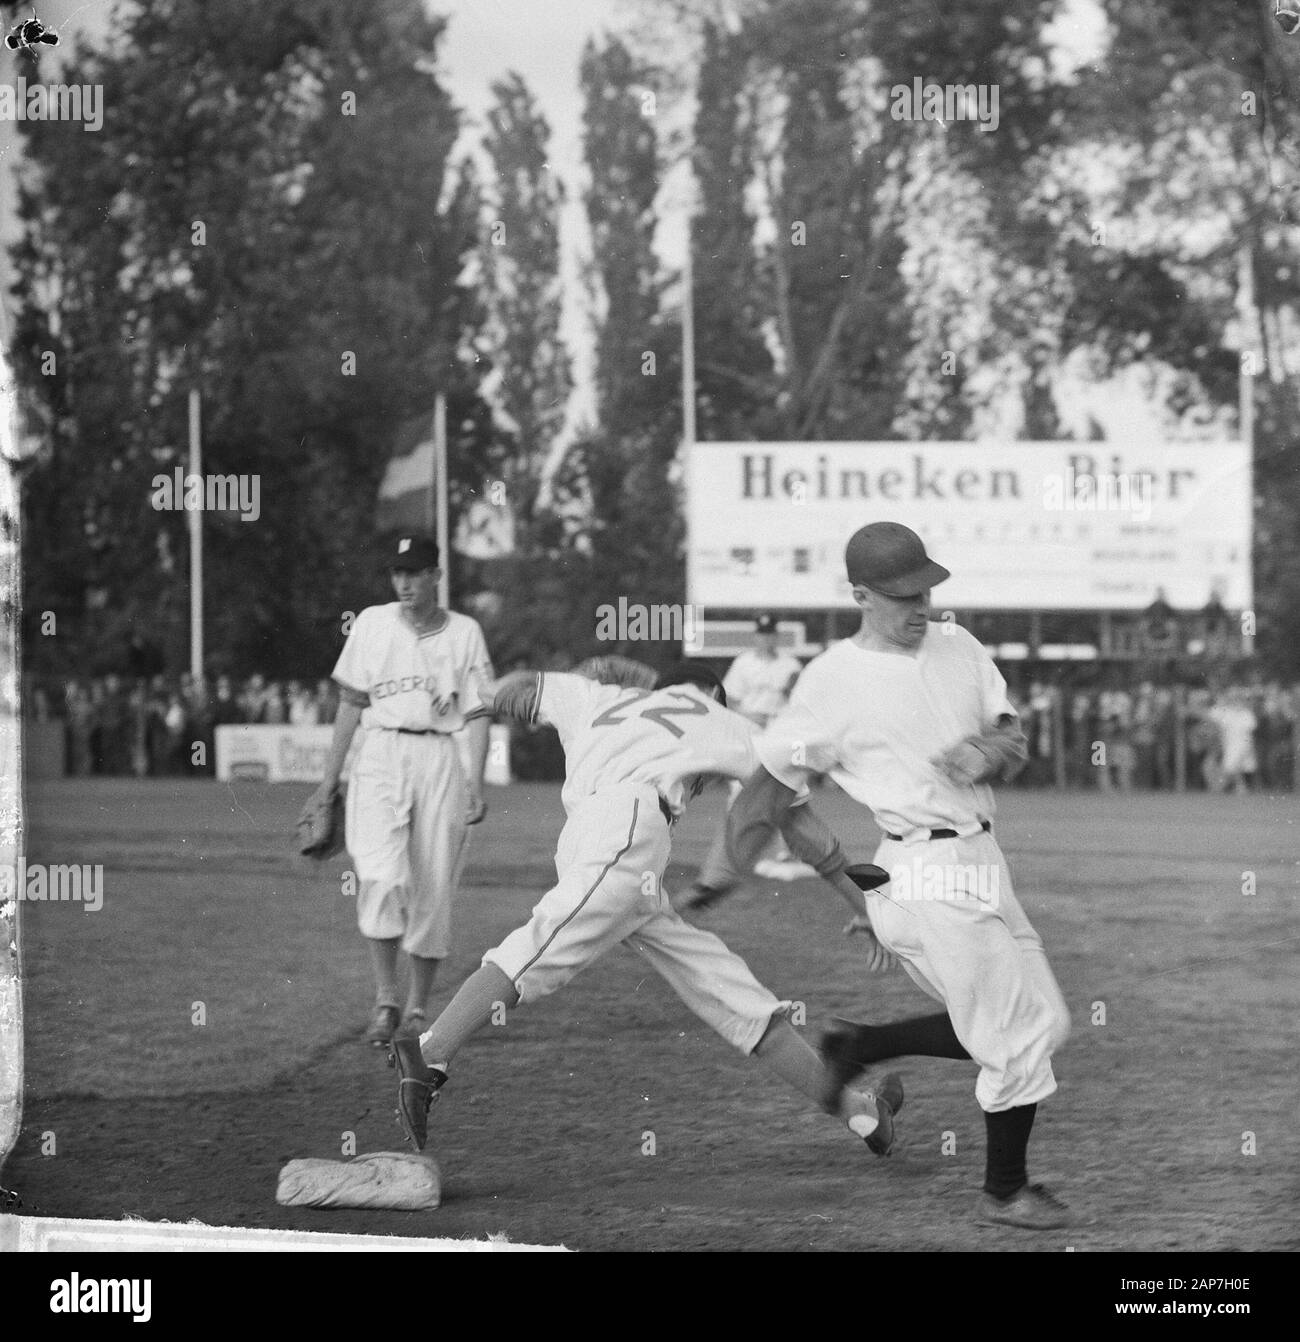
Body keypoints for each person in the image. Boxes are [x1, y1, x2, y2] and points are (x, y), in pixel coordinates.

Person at [387, 659, 903, 1156]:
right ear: (712, 695)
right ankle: (429, 1050)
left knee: (728, 991)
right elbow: (807, 834)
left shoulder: (597, 695)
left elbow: (512, 692)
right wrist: (866, 907)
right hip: (629, 828)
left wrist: (468, 698)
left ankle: (860, 1111)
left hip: (590, 838)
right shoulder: (725, 721)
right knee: (545, 941)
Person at [720, 521, 1072, 1230]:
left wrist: (987, 750)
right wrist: (722, 867)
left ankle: (863, 1046)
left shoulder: (959, 647)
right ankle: (1006, 1191)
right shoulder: (830, 681)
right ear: (859, 594)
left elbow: (1013, 736)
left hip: (979, 860)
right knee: (1010, 1037)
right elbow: (769, 784)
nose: (920, 606)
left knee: (1047, 1022)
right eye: (901, 595)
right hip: (923, 867)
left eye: (926, 590)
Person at [299, 535, 492, 1048]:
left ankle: (416, 1008)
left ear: (436, 575)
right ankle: (385, 999)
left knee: (432, 883)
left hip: (439, 757)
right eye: (397, 573)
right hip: (380, 753)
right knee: (382, 876)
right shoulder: (371, 623)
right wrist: (326, 783)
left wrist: (475, 782)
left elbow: (477, 713)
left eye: (414, 572)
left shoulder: (466, 632)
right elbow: (349, 704)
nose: (403, 582)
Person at [687, 614, 812, 904]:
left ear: (775, 637)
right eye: (762, 634)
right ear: (756, 636)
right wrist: (750, 716)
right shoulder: (744, 663)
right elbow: (730, 700)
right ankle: (730, 860)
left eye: (770, 634)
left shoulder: (790, 665)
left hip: (779, 735)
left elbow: (800, 703)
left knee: (786, 792)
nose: (765, 638)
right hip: (751, 735)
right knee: (742, 794)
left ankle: (781, 853)